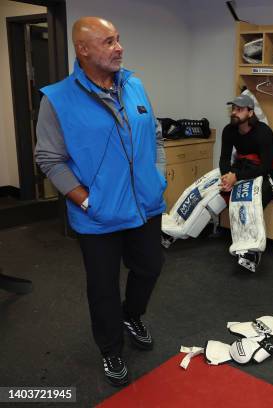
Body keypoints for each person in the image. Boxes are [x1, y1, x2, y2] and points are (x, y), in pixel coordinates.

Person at [35, 17, 166, 386]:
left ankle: (133, 315)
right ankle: (111, 350)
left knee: (151, 268)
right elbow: (49, 159)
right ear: (83, 49)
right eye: (108, 41)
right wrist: (85, 200)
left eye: (118, 39)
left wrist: (157, 177)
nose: (119, 47)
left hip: (145, 206)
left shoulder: (134, 84)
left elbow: (154, 134)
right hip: (98, 216)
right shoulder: (57, 99)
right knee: (103, 287)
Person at [219, 94, 273, 272]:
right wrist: (227, 176)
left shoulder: (264, 132)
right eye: (233, 109)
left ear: (250, 112)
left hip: (263, 174)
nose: (234, 112)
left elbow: (266, 167)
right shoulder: (229, 130)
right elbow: (223, 159)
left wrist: (237, 177)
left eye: (239, 109)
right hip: (241, 169)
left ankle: (252, 251)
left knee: (250, 200)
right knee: (217, 188)